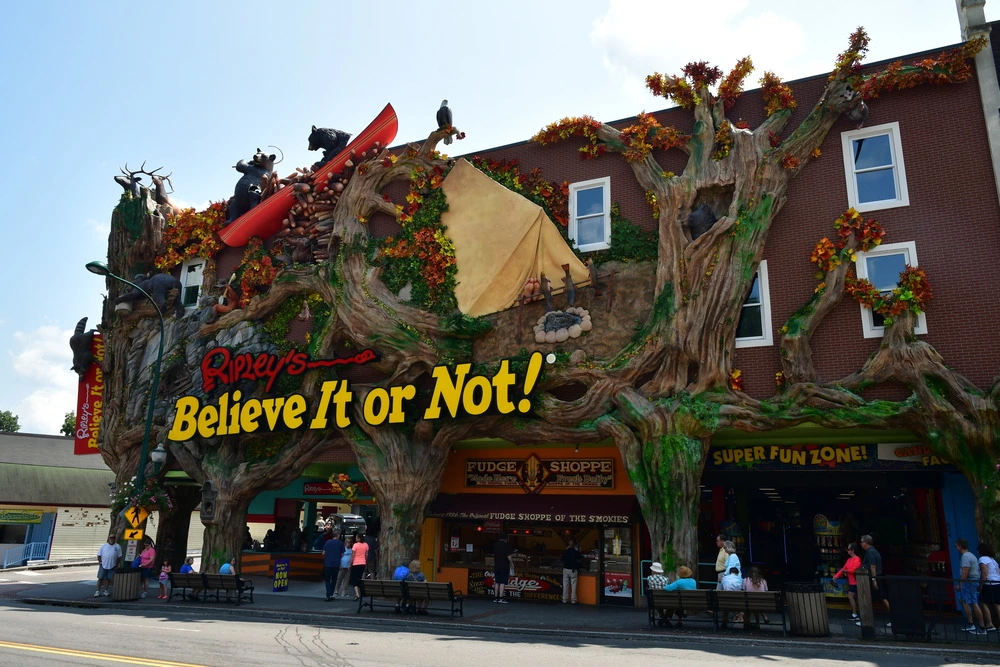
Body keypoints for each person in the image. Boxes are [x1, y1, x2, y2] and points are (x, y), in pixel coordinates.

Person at [857, 534, 890, 627]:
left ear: (866, 542)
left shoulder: (870, 552)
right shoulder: (874, 551)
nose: (860, 544)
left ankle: (866, 620)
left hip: (872, 578)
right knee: (881, 597)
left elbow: (872, 566)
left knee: (869, 597)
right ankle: (893, 618)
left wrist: (873, 579)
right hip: (876, 577)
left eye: (862, 542)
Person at [956, 539, 986, 634]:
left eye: (956, 546)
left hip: (969, 581)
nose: (956, 548)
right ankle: (971, 623)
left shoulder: (965, 557)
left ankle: (980, 626)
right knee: (965, 601)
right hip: (973, 580)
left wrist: (960, 583)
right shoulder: (971, 555)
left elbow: (965, 571)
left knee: (973, 602)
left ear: (960, 546)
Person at [833, 543, 863, 620]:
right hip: (851, 582)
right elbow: (843, 569)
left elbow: (854, 570)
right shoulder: (849, 560)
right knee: (856, 598)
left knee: (850, 596)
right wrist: (836, 576)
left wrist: (846, 570)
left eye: (848, 549)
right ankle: (859, 614)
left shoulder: (857, 559)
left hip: (856, 582)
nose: (847, 551)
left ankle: (855, 614)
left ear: (852, 550)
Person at [978, 542, 1000, 631]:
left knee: (984, 602)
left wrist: (981, 585)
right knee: (997, 604)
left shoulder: (982, 559)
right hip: (997, 582)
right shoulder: (993, 560)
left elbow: (984, 573)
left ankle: (989, 623)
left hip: (989, 583)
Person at [322, 530, 346, 601]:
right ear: (338, 535)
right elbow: (342, 554)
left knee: (327, 579)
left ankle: (328, 594)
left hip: (327, 564)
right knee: (334, 579)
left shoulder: (328, 542)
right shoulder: (341, 543)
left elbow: (323, 553)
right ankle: (331, 594)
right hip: (336, 564)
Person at [493, 534, 514, 604]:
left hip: (496, 566)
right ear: (506, 538)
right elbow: (509, 556)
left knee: (497, 582)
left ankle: (495, 598)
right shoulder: (506, 545)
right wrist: (511, 563)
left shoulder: (495, 544)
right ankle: (501, 598)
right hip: (504, 566)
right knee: (502, 582)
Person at [561, 538, 582, 604]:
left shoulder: (565, 551)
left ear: (568, 545)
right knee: (573, 585)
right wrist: (579, 550)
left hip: (566, 569)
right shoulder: (576, 552)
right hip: (573, 570)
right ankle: (573, 600)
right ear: (574, 545)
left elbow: (561, 559)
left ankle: (564, 599)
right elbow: (580, 558)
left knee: (565, 585)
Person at [350, 531, 370, 601]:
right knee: (360, 578)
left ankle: (357, 594)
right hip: (363, 563)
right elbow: (366, 555)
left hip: (356, 563)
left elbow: (353, 555)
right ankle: (359, 593)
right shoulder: (366, 545)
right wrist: (366, 562)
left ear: (359, 538)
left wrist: (350, 563)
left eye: (356, 537)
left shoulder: (355, 545)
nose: (355, 538)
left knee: (354, 579)